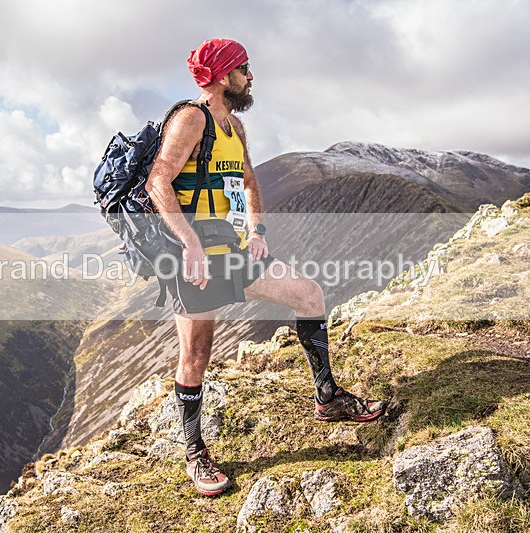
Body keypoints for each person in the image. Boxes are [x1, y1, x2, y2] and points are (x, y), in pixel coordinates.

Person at [145, 38, 386, 497]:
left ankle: (328, 397)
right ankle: (195, 452)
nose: (251, 76)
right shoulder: (190, 119)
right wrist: (191, 245)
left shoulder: (233, 126)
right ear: (220, 76)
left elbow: (249, 182)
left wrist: (257, 232)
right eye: (243, 69)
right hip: (193, 260)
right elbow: (159, 181)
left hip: (237, 252)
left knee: (309, 294)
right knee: (195, 356)